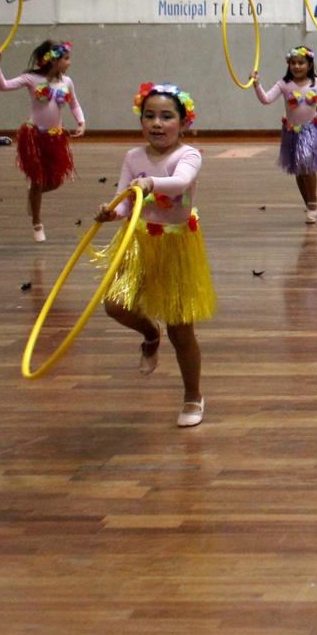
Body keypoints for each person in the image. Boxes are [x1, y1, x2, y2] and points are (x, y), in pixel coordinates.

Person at [95, 82, 216, 428]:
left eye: (166, 116)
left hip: (176, 246)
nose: (157, 124)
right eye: (149, 116)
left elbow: (179, 184)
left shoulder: (188, 155)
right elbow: (125, 202)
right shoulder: (133, 158)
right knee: (114, 305)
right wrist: (111, 212)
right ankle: (150, 335)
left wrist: (150, 184)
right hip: (139, 242)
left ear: (184, 122)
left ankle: (193, 395)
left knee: (181, 330)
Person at [0, 40, 85, 242]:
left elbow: (74, 104)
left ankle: (34, 194)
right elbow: (4, 86)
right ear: (52, 61)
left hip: (55, 138)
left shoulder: (67, 82)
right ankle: (37, 222)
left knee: (55, 181)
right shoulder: (31, 79)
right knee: (38, 179)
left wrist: (81, 122)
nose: (69, 62)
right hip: (34, 137)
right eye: (66, 59)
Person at [252, 46, 317, 224]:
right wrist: (257, 84)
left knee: (308, 166)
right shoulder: (284, 84)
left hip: (310, 130)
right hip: (292, 132)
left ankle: (313, 202)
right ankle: (308, 203)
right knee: (298, 169)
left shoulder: (316, 83)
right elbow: (266, 99)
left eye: (301, 63)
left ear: (309, 65)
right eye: (293, 63)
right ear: (288, 64)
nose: (297, 66)